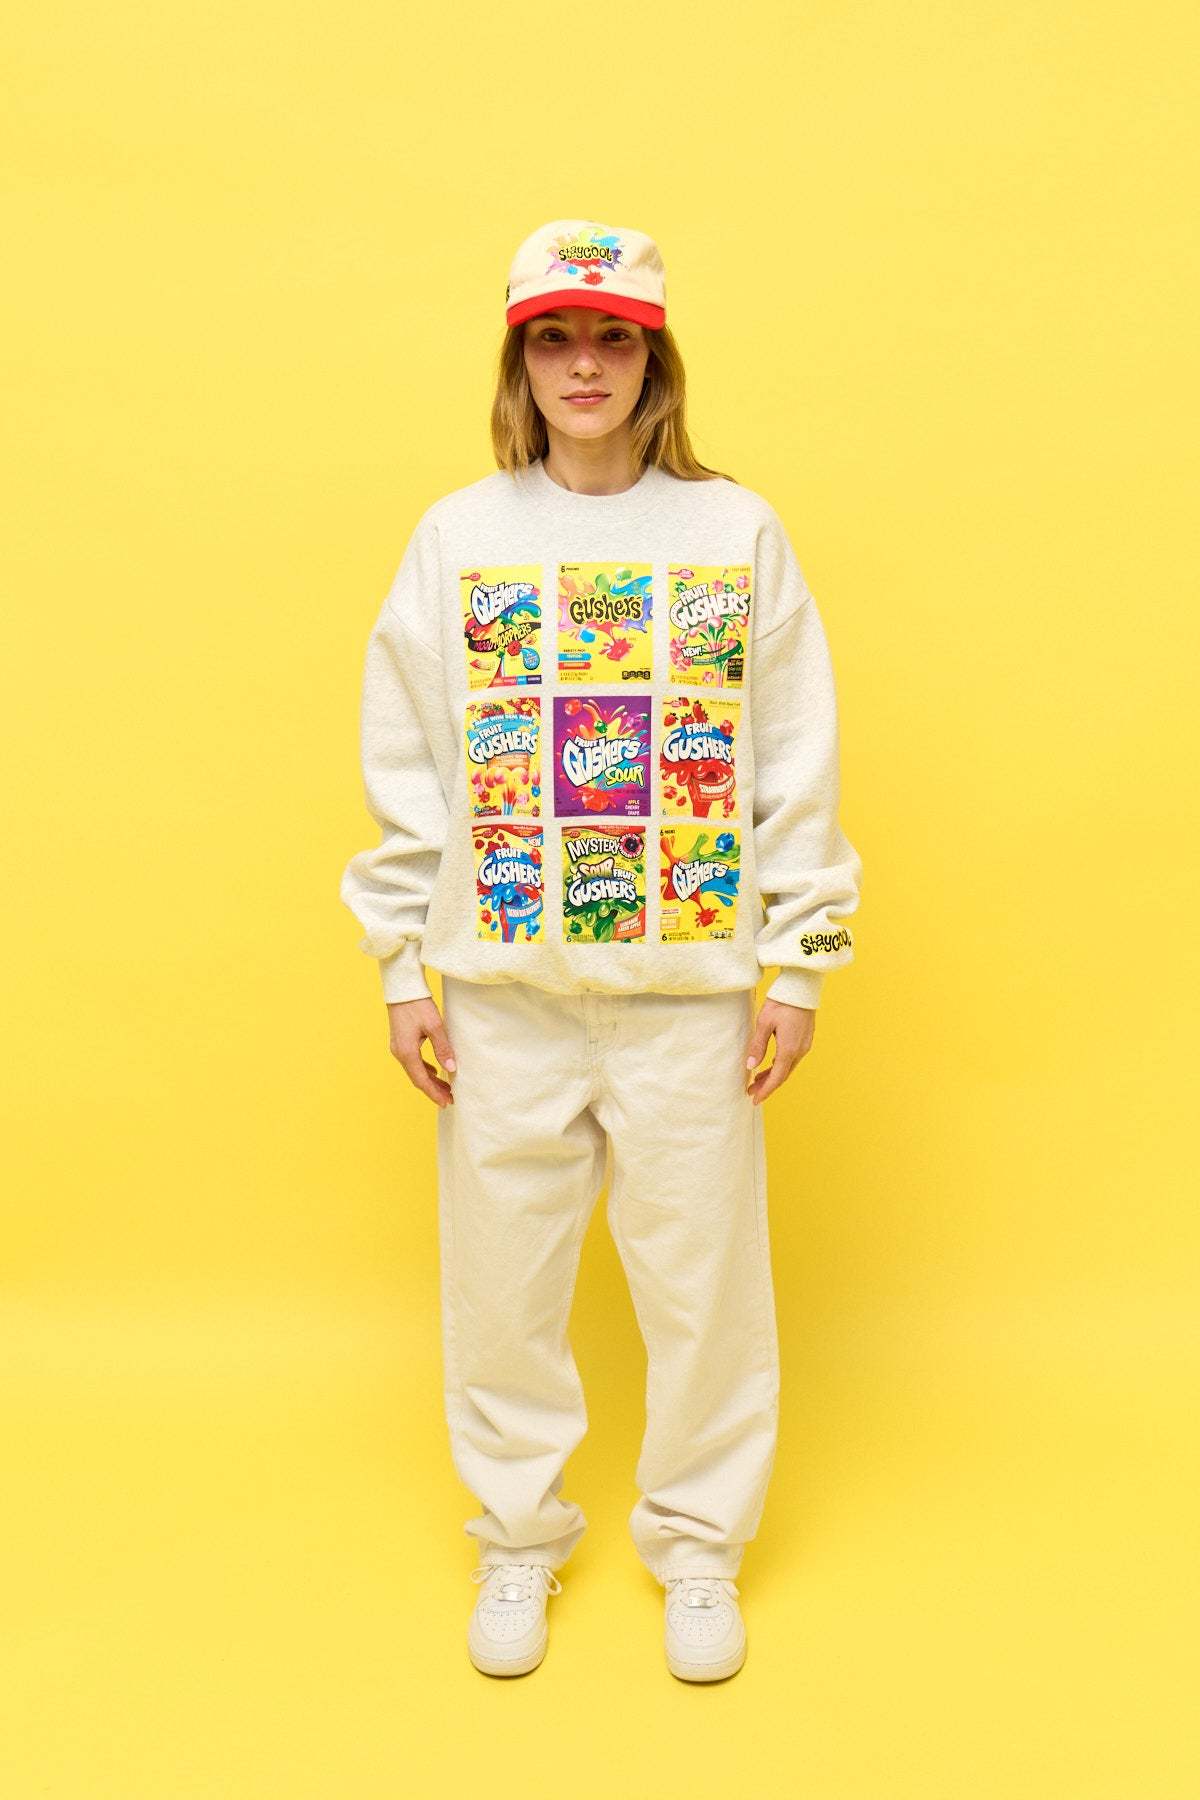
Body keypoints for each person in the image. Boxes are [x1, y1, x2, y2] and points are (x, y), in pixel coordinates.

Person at [340, 217, 863, 1682]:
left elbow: (795, 756)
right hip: (502, 993)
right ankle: (517, 1538)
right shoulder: (459, 538)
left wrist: (800, 961)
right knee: (501, 1285)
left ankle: (698, 1549)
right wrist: (400, 964)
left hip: (690, 995)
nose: (585, 364)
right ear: (520, 360)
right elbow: (409, 762)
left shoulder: (734, 533)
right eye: (556, 338)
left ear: (655, 360)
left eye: (613, 336)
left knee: (706, 1287)